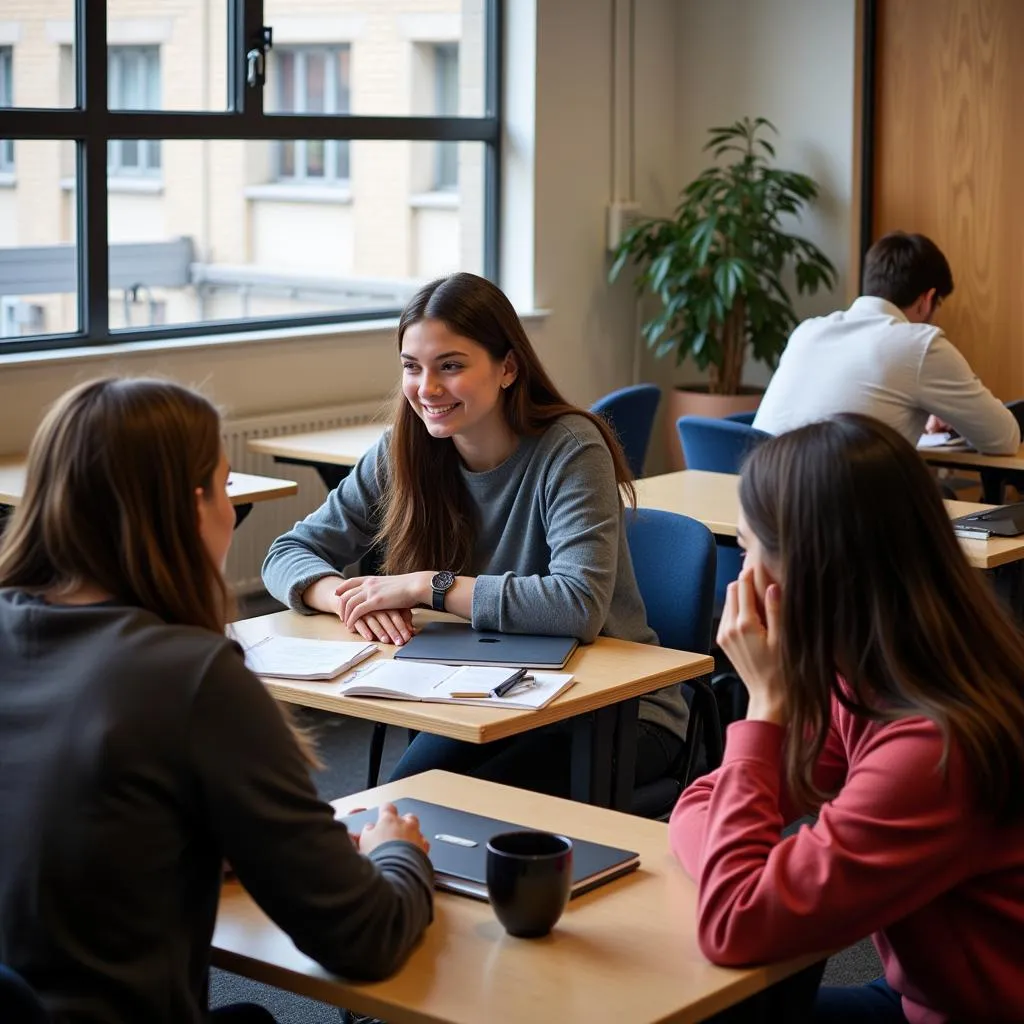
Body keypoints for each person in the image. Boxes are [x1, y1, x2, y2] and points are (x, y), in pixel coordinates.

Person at [0, 378, 434, 1024]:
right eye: (225, 488)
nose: (231, 512)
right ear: (190, 506)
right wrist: (397, 853)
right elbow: (361, 937)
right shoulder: (191, 677)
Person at [262, 272, 685, 793]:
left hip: (613, 712)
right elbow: (289, 552)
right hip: (483, 693)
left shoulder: (572, 449)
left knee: (443, 802)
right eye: (412, 368)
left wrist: (425, 586)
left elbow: (578, 605)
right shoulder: (404, 449)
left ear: (508, 367)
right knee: (413, 796)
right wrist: (349, 598)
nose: (427, 388)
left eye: (451, 366)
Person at [669, 414, 1024, 1023]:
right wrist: (746, 867)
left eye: (749, 551)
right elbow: (700, 804)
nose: (742, 578)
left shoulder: (933, 747)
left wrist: (765, 707)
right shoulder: (879, 675)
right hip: (925, 995)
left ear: (808, 571)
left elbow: (733, 921)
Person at [753, 231, 1020, 454]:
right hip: (838, 509)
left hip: (755, 507)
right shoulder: (919, 344)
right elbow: (1002, 439)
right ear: (928, 299)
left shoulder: (807, 331)